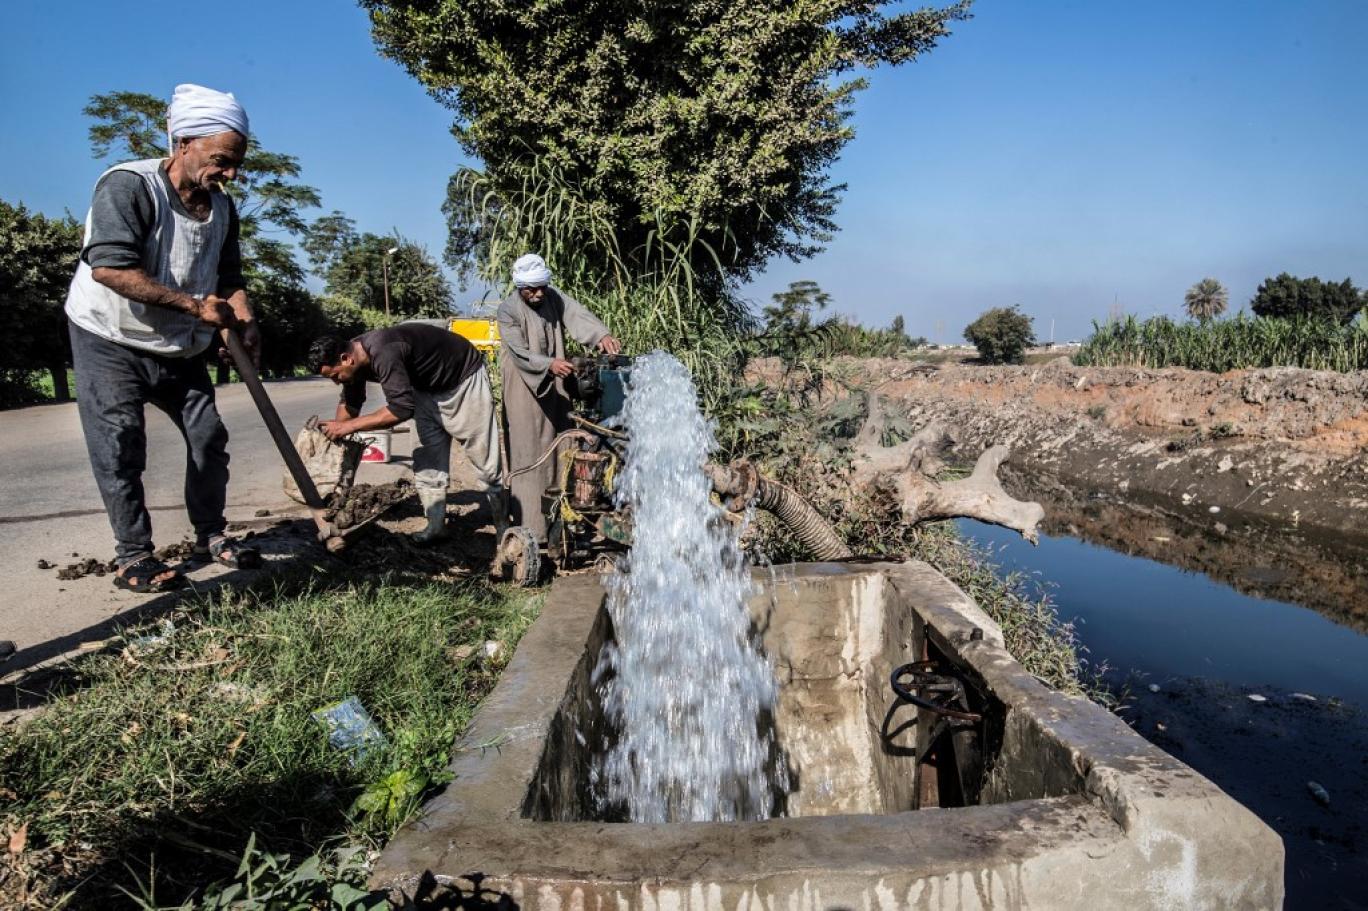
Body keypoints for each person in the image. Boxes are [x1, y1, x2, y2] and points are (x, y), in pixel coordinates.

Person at [64, 83, 262, 593]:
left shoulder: (222, 207)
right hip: (111, 336)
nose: (230, 173)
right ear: (182, 143)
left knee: (207, 437)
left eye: (236, 163)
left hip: (179, 345)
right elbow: (109, 268)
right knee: (120, 444)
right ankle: (133, 556)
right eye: (221, 160)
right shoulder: (128, 187)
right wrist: (197, 307)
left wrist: (242, 315)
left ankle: (212, 535)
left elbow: (229, 276)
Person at [308, 323, 503, 542]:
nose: (336, 382)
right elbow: (351, 402)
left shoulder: (384, 351)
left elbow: (400, 409)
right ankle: (436, 527)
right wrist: (336, 437)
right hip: (424, 389)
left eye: (335, 376)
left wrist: (349, 427)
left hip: (462, 380)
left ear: (346, 359)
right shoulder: (354, 359)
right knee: (427, 459)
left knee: (484, 460)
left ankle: (503, 528)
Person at [497, 253, 620, 542]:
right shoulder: (508, 310)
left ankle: (565, 526)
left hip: (556, 382)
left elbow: (576, 315)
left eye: (542, 286)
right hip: (524, 386)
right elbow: (519, 352)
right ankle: (532, 531)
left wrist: (600, 336)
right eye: (532, 289)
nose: (539, 293)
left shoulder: (552, 296)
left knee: (566, 443)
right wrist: (548, 364)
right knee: (530, 452)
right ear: (519, 287)